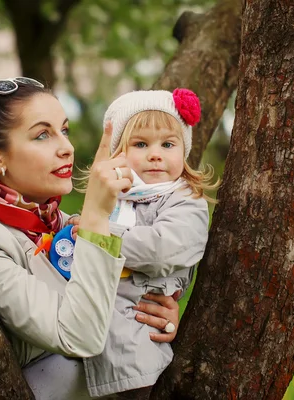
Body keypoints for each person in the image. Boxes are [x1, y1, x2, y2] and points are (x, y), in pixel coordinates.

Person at [0, 77, 181, 400]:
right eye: (42, 135)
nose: (66, 147)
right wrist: (95, 217)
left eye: (65, 130)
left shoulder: (56, 223)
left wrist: (155, 312)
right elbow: (81, 336)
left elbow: (109, 298)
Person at [77, 89, 217, 398]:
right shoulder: (116, 198)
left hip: (133, 344)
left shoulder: (185, 201)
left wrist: (96, 231)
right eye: (141, 144)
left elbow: (159, 249)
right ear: (119, 154)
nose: (155, 154)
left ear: (184, 150)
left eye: (168, 144)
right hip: (91, 331)